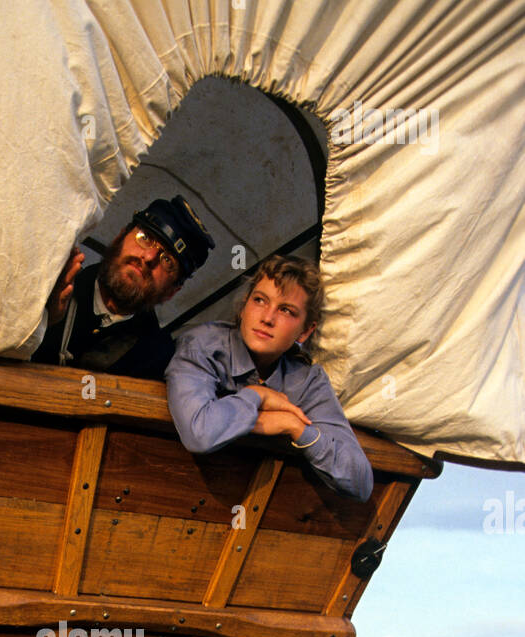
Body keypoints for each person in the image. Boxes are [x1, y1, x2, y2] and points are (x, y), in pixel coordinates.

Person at [165, 255, 374, 501]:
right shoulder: (202, 346)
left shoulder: (307, 380)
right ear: (244, 307)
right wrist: (256, 397)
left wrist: (295, 427)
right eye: (260, 300)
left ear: (306, 331)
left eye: (286, 310)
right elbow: (199, 434)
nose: (267, 318)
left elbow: (360, 482)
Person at [33, 196, 215, 381]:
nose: (149, 257)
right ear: (119, 238)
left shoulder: (156, 357)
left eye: (167, 260)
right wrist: (45, 320)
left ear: (172, 291)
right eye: (145, 238)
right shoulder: (47, 278)